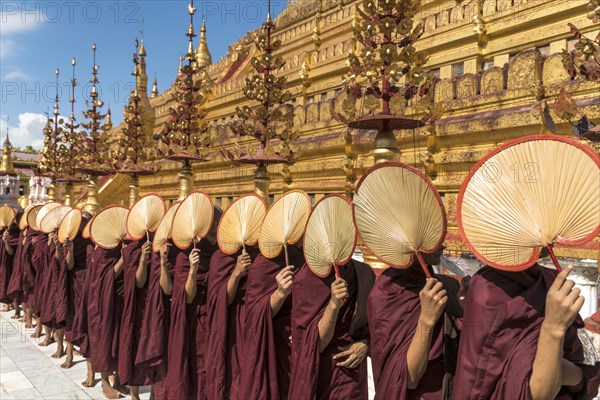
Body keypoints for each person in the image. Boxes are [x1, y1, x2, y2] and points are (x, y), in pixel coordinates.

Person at [453, 263, 600, 400]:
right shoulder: (487, 292)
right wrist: (553, 328)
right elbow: (537, 390)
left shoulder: (549, 281)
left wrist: (579, 376)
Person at [368, 249, 463, 400]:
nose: (443, 246)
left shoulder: (447, 287)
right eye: (435, 240)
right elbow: (408, 379)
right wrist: (427, 319)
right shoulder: (386, 293)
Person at [288, 258, 375, 400]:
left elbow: (378, 329)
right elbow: (310, 345)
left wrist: (366, 345)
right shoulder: (305, 278)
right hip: (320, 375)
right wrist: (333, 305)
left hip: (352, 377)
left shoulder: (364, 272)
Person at [165, 207, 221, 400]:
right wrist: (193, 270)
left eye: (218, 223)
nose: (215, 228)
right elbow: (186, 298)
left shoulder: (224, 253)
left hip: (219, 321)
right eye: (211, 224)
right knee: (198, 369)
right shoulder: (186, 256)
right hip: (195, 323)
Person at [238, 245, 305, 400]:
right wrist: (280, 293)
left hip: (303, 343)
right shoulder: (262, 264)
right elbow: (253, 315)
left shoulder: (308, 260)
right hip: (275, 345)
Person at [205, 243, 257, 400]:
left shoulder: (263, 253)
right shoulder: (220, 257)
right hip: (231, 326)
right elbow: (217, 298)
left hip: (256, 324)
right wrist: (236, 273)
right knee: (234, 379)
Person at [87, 244, 129, 399]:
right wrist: (123, 257)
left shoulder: (124, 242)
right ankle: (105, 382)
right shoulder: (101, 249)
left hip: (120, 296)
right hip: (102, 299)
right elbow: (105, 277)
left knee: (120, 336)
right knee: (103, 337)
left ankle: (118, 380)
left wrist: (128, 284)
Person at [119, 238, 152, 400]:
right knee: (133, 345)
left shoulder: (161, 243)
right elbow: (138, 282)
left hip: (157, 302)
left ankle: (154, 393)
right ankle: (135, 395)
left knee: (155, 346)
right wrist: (144, 258)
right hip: (137, 305)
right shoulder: (132, 249)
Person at [61, 212, 92, 369]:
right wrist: (71, 250)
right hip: (76, 281)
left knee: (89, 319)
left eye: (86, 220)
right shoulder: (71, 239)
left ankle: (90, 364)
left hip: (92, 283)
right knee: (72, 317)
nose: (83, 223)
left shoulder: (94, 238)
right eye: (81, 220)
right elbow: (69, 265)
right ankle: (69, 354)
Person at [1, 210, 22, 317]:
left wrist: (5, 241)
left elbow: (10, 251)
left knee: (16, 286)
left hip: (18, 263)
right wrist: (4, 240)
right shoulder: (9, 231)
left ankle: (17, 311)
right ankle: (10, 305)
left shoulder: (20, 232)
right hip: (8, 262)